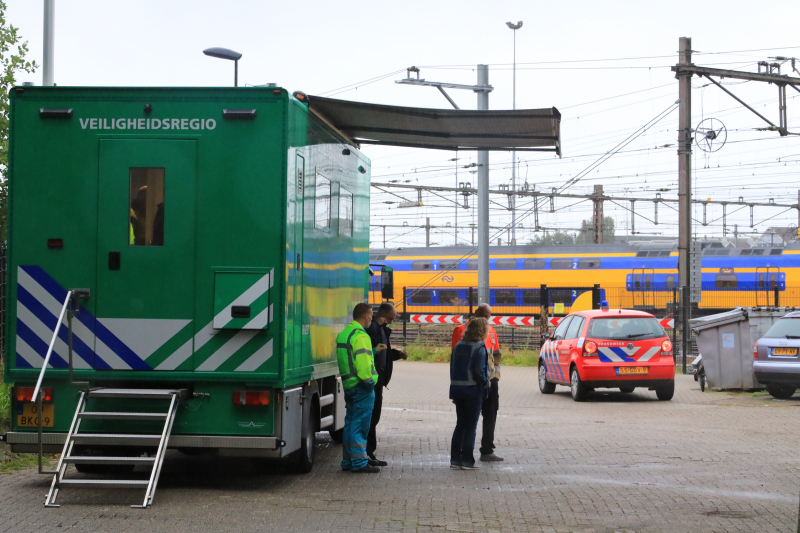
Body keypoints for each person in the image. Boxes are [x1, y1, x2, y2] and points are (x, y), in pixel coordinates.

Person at [450, 303, 503, 462]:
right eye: (484, 315)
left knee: (490, 414)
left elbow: (497, 354)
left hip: (489, 380)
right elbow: (457, 359)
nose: (486, 319)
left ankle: (487, 449)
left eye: (488, 316)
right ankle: (464, 457)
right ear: (476, 313)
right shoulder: (461, 330)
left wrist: (496, 376)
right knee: (467, 422)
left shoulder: (491, 331)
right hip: (474, 382)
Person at [336, 303, 383, 473]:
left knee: (350, 424)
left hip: (349, 385)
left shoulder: (345, 333)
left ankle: (348, 461)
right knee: (360, 425)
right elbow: (363, 367)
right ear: (365, 315)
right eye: (371, 314)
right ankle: (359, 463)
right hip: (361, 387)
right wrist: (370, 383)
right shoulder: (361, 336)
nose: (372, 318)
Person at [365, 303, 408, 466]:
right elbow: (372, 347)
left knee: (375, 416)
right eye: (390, 318)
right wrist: (377, 325)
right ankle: (367, 452)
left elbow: (383, 350)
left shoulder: (382, 329)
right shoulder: (373, 329)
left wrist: (397, 354)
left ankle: (370, 451)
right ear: (382, 315)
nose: (390, 322)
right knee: (370, 416)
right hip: (372, 378)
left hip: (379, 378)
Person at [449, 317, 490, 470]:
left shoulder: (458, 345)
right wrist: (486, 384)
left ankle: (455, 459)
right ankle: (467, 459)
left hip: (457, 389)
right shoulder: (479, 347)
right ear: (482, 330)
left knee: (460, 424)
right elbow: (479, 371)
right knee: (471, 426)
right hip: (473, 391)